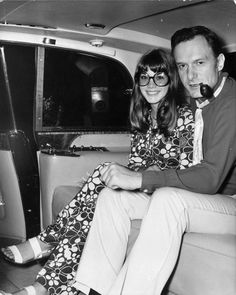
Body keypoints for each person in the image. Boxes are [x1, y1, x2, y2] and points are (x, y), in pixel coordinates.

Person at [0, 48, 194, 295]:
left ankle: (47, 244)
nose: (151, 84)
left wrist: (141, 174)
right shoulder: (145, 116)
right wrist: (106, 181)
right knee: (85, 215)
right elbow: (136, 163)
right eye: (144, 77)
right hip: (140, 191)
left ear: (172, 80)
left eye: (160, 76)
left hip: (166, 198)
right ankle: (41, 288)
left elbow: (185, 171)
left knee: (101, 177)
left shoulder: (184, 116)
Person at [71, 26, 236, 295]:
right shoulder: (198, 96)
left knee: (168, 199)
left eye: (199, 63)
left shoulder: (231, 102)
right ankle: (91, 290)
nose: (190, 76)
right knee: (113, 198)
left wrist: (142, 178)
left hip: (230, 205)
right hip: (203, 201)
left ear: (219, 62)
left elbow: (210, 177)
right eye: (182, 66)